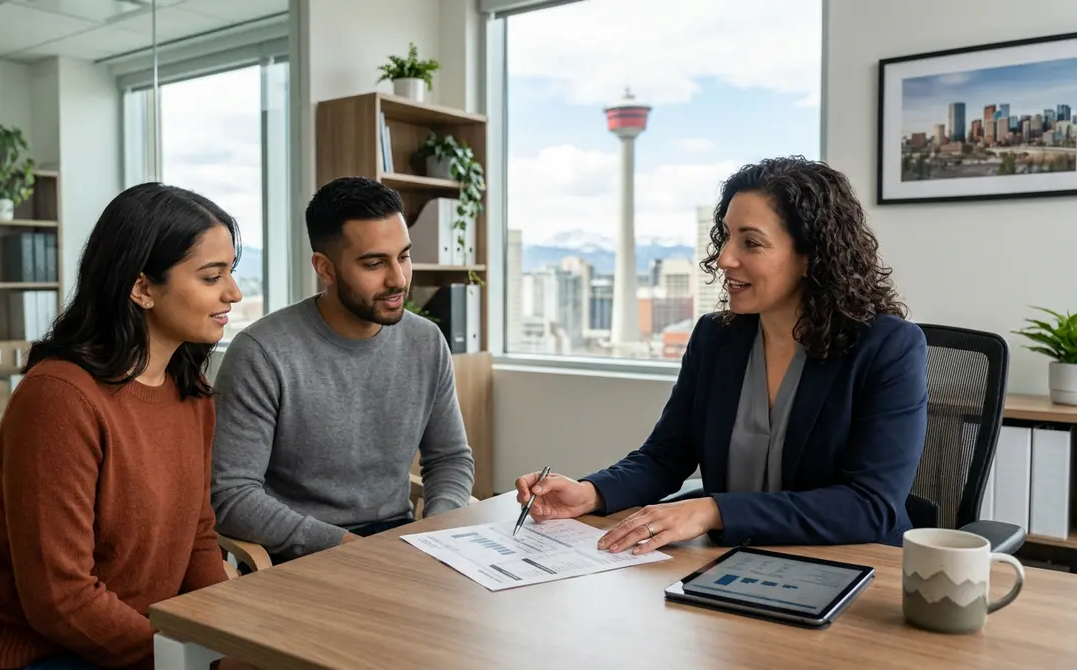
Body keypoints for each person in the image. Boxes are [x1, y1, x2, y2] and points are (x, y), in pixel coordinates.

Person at [515, 156, 927, 553]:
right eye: (726, 236)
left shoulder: (888, 347)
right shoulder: (716, 338)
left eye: (750, 242)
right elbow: (666, 455)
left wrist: (713, 510)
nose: (725, 258)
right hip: (730, 564)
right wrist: (590, 493)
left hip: (857, 569)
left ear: (810, 256)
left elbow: (869, 505)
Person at [0, 183, 244, 670]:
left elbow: (197, 538)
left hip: (141, 642)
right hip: (41, 655)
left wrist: (226, 642)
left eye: (231, 273)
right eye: (212, 276)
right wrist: (187, 661)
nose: (233, 293)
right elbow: (60, 598)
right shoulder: (59, 399)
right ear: (142, 287)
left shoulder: (189, 390)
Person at [211, 176, 475, 565]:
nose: (398, 279)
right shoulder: (262, 353)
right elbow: (232, 496)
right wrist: (352, 549)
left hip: (401, 545)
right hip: (303, 558)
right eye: (374, 263)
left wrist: (434, 532)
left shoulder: (426, 341)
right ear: (325, 268)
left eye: (403, 256)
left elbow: (451, 459)